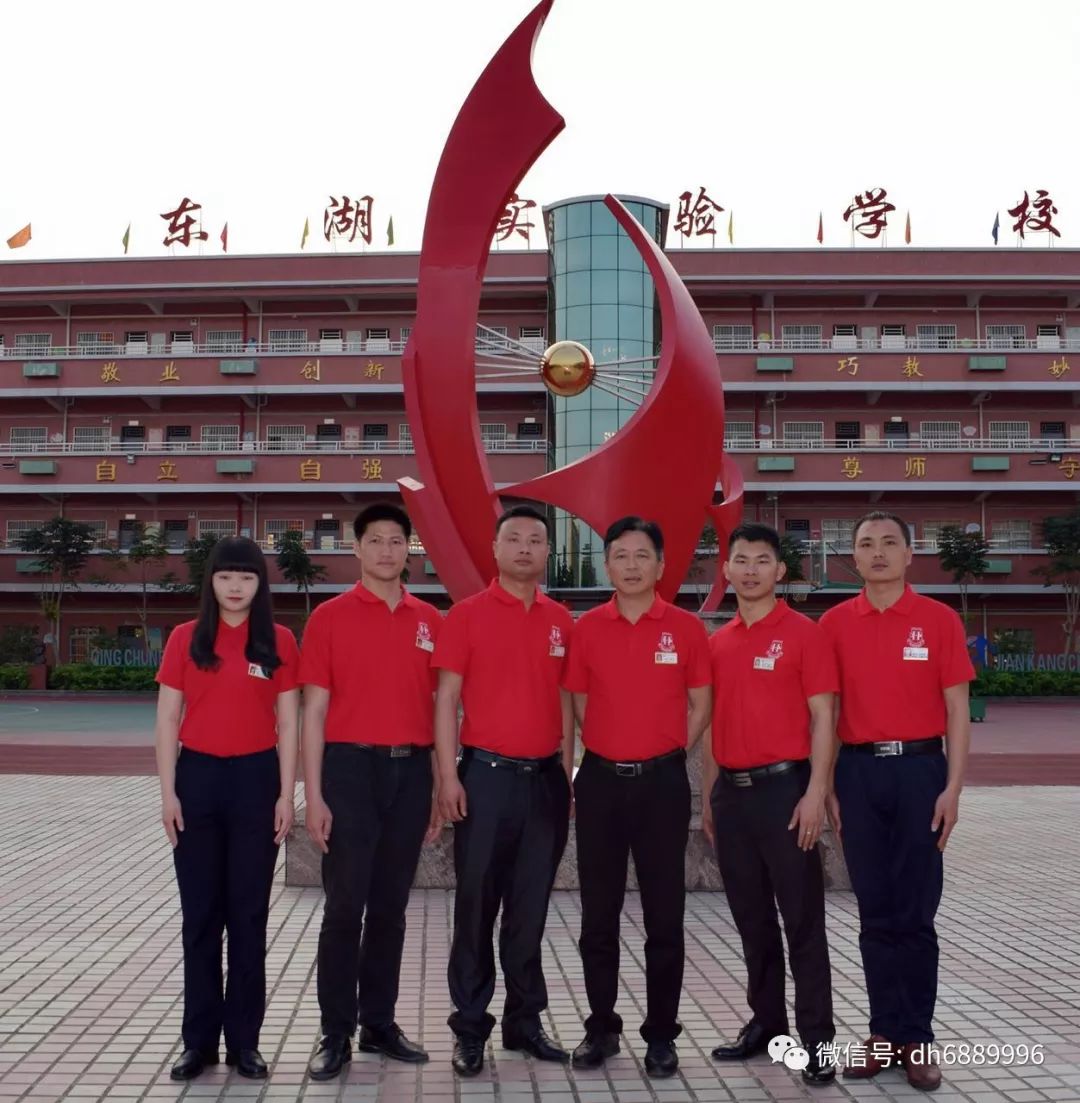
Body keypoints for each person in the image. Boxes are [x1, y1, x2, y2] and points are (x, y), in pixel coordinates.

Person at [820, 511, 973, 1093]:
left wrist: (953, 787)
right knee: (874, 912)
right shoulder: (834, 624)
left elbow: (957, 709)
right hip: (858, 774)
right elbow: (827, 714)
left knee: (915, 912)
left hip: (920, 772)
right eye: (866, 544)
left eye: (889, 543)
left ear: (911, 555)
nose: (878, 553)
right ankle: (882, 1034)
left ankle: (918, 1039)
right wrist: (828, 782)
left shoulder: (937, 620)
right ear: (852, 558)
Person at [564, 517, 711, 1079]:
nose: (630, 565)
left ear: (661, 564)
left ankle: (660, 1035)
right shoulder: (587, 629)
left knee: (663, 915)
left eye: (641, 555)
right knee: (597, 915)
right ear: (607, 565)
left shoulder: (686, 629)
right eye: (619, 555)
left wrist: (668, 749)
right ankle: (601, 1027)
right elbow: (575, 703)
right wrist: (606, 749)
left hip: (662, 785)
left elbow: (701, 704)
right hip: (600, 782)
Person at [301, 503, 442, 1080]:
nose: (387, 550)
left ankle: (380, 1023)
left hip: (411, 773)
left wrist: (437, 784)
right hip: (350, 772)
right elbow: (314, 711)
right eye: (375, 540)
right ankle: (335, 1031)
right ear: (356, 549)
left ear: (410, 549)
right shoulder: (330, 617)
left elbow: (439, 708)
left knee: (391, 908)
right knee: (344, 908)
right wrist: (314, 793)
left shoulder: (431, 618)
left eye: (397, 541)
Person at [433, 504, 574, 1077]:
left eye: (535, 540)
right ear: (494, 549)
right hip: (484, 779)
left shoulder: (563, 620)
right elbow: (445, 700)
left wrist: (568, 769)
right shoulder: (465, 616)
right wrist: (447, 775)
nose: (524, 548)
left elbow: (567, 701)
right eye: (513, 539)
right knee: (475, 908)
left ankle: (524, 1022)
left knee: (530, 910)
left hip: (545, 782)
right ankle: (470, 1028)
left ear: (547, 552)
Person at [155, 536, 300, 1082]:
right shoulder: (186, 639)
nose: (235, 586)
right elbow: (169, 718)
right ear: (210, 583)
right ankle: (198, 1043)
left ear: (260, 585)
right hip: (198, 780)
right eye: (225, 577)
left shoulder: (279, 640)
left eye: (246, 577)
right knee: (200, 918)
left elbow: (288, 722)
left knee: (248, 918)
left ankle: (245, 1042)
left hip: (256, 781)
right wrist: (168, 793)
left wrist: (287, 794)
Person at [702, 522, 837, 1086]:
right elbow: (711, 726)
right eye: (741, 560)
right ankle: (767, 1025)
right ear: (726, 570)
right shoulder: (718, 642)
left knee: (802, 920)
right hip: (730, 798)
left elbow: (826, 718)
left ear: (780, 572)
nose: (751, 569)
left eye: (762, 560)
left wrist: (815, 794)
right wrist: (709, 799)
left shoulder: (806, 635)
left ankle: (819, 1043)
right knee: (751, 920)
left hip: (787, 792)